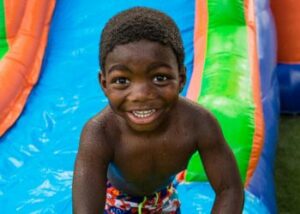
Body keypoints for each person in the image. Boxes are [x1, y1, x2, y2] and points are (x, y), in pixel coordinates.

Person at [72, 7, 244, 214]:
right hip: (115, 202)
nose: (141, 94)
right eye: (122, 80)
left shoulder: (198, 123)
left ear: (180, 79)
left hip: (163, 200)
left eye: (159, 78)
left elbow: (229, 189)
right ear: (104, 84)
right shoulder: (100, 133)